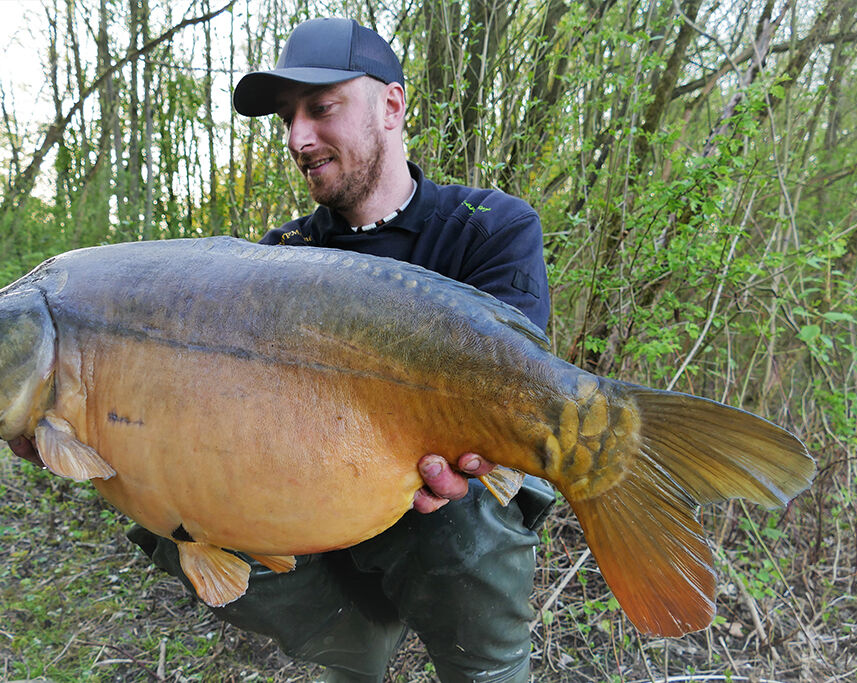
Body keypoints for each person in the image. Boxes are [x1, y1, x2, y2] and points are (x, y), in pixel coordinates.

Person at [126, 17, 556, 683]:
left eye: (321, 108)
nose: (299, 137)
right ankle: (355, 647)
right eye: (287, 117)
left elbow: (521, 400)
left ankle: (489, 671)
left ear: (391, 105)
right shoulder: (276, 261)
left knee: (462, 517)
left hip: (445, 508)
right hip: (315, 502)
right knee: (164, 505)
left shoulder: (490, 228)